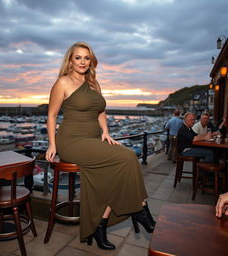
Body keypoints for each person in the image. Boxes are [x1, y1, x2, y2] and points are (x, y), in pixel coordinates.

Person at [45, 42, 155, 250]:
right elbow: (51, 115)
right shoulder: (63, 82)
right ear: (70, 60)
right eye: (78, 57)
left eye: (86, 58)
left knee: (121, 165)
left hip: (94, 140)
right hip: (72, 141)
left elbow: (100, 112)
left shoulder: (94, 83)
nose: (82, 62)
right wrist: (52, 144)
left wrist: (106, 132)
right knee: (128, 157)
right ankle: (140, 209)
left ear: (91, 61)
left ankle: (100, 224)